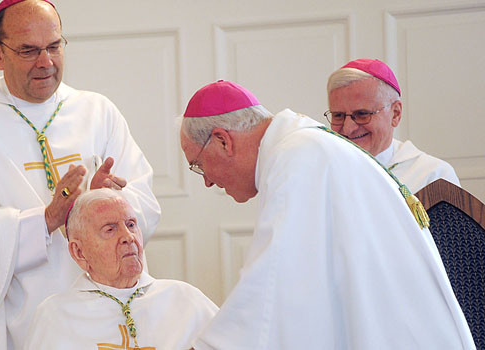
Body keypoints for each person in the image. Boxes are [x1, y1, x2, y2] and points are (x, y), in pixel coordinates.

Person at [0, 1, 160, 349]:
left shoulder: (97, 112)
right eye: (29, 50)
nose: (46, 62)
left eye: (54, 46)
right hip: (21, 322)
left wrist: (105, 205)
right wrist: (46, 220)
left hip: (106, 316)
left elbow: (146, 205)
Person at [179, 80, 475, 349]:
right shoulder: (301, 149)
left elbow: (271, 292)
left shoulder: (297, 158)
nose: (206, 181)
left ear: (222, 140)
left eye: (199, 165)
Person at [24, 188, 217, 349]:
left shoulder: (185, 300)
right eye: (110, 229)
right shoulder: (56, 316)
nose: (128, 237)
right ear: (79, 252)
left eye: (131, 224)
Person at [326, 58, 460, 193]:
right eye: (338, 115)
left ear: (395, 114)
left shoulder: (433, 176)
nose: (348, 128)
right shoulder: (322, 171)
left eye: (362, 114)